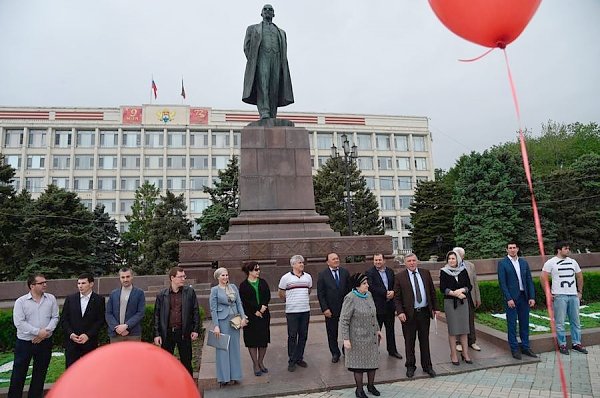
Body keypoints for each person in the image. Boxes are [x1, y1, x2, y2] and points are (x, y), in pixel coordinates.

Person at [8, 273, 59, 398]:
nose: (45, 285)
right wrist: (37, 332)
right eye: (41, 283)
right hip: (25, 343)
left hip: (45, 342)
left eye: (45, 282)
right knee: (19, 374)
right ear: (32, 286)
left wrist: (44, 333)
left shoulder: (51, 298)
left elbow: (55, 317)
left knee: (40, 374)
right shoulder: (21, 302)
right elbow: (19, 323)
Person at [242, 4, 294, 120]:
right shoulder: (252, 29)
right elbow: (247, 46)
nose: (267, 11)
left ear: (273, 14)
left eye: (270, 9)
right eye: (265, 9)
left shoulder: (281, 32)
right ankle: (264, 112)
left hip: (276, 59)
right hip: (261, 59)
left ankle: (272, 114)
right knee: (263, 85)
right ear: (261, 13)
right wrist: (254, 61)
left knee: (274, 87)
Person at [394, 253, 439, 378]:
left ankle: (427, 366)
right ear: (405, 263)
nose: (412, 263)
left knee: (424, 341)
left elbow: (432, 292)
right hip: (408, 315)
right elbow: (396, 298)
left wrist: (435, 308)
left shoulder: (425, 273)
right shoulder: (399, 277)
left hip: (424, 312)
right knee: (409, 341)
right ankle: (410, 366)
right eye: (409, 261)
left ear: (417, 261)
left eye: (414, 260)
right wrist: (400, 312)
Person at [339, 273, 382, 398]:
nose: (367, 285)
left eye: (367, 283)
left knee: (372, 363)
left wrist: (378, 329)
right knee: (358, 366)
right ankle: (359, 390)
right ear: (357, 286)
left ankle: (371, 385)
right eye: (364, 284)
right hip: (357, 338)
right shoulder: (350, 298)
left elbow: (373, 314)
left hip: (371, 337)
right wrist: (345, 339)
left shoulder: (369, 295)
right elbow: (344, 320)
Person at [541, 241, 588, 355]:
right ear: (559, 250)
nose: (568, 250)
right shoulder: (551, 262)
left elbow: (579, 276)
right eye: (565, 248)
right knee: (560, 322)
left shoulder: (573, 262)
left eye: (568, 248)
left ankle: (576, 343)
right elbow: (543, 277)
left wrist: (579, 291)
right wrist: (548, 293)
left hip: (573, 295)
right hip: (559, 295)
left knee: (576, 321)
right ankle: (562, 345)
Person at [153, 266, 200, 376]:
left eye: (184, 276)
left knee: (186, 361)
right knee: (166, 362)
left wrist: (195, 329)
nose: (183, 279)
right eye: (180, 277)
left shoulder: (189, 292)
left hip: (183, 332)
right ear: (172, 278)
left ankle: (188, 387)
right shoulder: (162, 295)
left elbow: (195, 311)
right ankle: (168, 387)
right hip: (167, 333)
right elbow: (157, 316)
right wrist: (157, 334)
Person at [497, 241, 537, 359]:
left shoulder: (523, 263)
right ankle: (514, 349)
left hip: (524, 297)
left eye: (514, 248)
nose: (512, 250)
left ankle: (525, 347)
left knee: (525, 323)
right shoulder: (503, 263)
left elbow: (529, 280)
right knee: (512, 324)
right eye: (510, 248)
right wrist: (508, 298)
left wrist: (532, 297)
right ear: (507, 250)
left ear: (518, 249)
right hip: (512, 299)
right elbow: (502, 283)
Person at [210, 267, 248, 386]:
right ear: (218, 277)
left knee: (234, 347)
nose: (225, 277)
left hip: (234, 320)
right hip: (222, 321)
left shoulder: (233, 287)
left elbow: (239, 303)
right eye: (223, 275)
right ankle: (224, 378)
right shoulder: (215, 290)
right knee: (223, 348)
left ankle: (235, 375)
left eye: (226, 275)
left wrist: (243, 317)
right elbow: (213, 309)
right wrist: (216, 325)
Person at [60, 273, 106, 368]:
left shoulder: (99, 300)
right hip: (72, 343)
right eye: (79, 283)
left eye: (83, 283)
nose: (80, 286)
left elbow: (100, 320)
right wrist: (71, 334)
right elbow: (64, 319)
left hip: (89, 343)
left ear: (91, 284)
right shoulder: (70, 299)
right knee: (71, 372)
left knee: (90, 371)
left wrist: (88, 335)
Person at [278, 254, 312, 372]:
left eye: (302, 262)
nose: (302, 264)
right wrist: (291, 301)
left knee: (303, 335)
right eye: (299, 263)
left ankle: (299, 357)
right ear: (293, 265)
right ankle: (291, 360)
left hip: (305, 310)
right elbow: (281, 293)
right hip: (292, 311)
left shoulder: (308, 277)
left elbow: (309, 290)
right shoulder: (286, 278)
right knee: (292, 336)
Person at [365, 253, 402, 359]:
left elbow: (395, 284)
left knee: (390, 329)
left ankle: (392, 350)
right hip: (377, 306)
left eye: (379, 260)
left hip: (390, 305)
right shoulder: (370, 272)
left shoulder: (390, 271)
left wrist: (393, 292)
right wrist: (385, 293)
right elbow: (371, 287)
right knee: (376, 330)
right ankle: (373, 351)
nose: (377, 262)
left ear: (384, 261)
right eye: (375, 260)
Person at [439, 250, 473, 366]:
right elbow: (443, 288)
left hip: (463, 303)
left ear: (457, 259)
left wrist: (462, 290)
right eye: (449, 259)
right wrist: (455, 293)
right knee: (453, 331)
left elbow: (469, 286)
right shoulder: (444, 271)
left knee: (464, 329)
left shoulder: (463, 271)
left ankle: (465, 353)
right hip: (450, 303)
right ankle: (453, 354)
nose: (451, 261)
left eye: (453, 258)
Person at [317, 252, 351, 363]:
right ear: (328, 262)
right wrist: (325, 309)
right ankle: (335, 353)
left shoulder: (345, 272)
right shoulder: (322, 275)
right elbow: (321, 294)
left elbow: (349, 291)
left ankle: (346, 350)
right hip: (330, 309)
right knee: (332, 332)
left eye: (337, 258)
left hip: (345, 308)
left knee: (348, 330)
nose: (336, 260)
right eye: (333, 259)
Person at [239, 261, 271, 376]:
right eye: (256, 269)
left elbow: (267, 295)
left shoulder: (263, 282)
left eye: (259, 269)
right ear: (249, 271)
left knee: (263, 340)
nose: (258, 271)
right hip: (251, 316)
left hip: (264, 315)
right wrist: (255, 310)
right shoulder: (243, 285)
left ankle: (260, 362)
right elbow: (244, 301)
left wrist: (263, 307)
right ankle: (255, 364)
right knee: (252, 341)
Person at [105, 267, 146, 342]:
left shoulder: (139, 293)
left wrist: (126, 326)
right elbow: (108, 313)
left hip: (133, 334)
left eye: (128, 277)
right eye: (123, 277)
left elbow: (140, 313)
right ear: (119, 278)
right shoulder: (113, 293)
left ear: (132, 277)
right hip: (116, 334)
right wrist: (116, 328)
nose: (125, 279)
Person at [453, 247, 481, 352]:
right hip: (456, 297)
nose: (455, 257)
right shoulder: (450, 266)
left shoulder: (470, 266)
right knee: (458, 320)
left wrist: (477, 298)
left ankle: (472, 341)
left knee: (470, 319)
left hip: (469, 296)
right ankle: (458, 342)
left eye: (458, 254)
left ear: (463, 256)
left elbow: (475, 283)